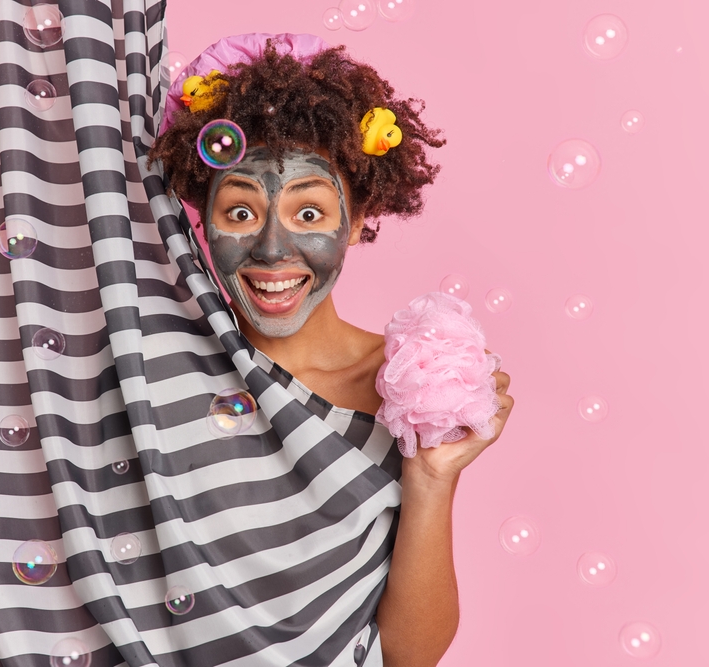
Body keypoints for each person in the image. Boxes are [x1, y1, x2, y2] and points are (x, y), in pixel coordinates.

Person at [149, 34, 515, 667]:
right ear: (200, 219)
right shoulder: (163, 363)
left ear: (359, 211)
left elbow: (409, 655)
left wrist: (432, 477)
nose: (271, 250)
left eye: (310, 214)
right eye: (239, 212)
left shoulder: (404, 385)